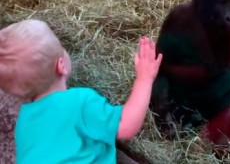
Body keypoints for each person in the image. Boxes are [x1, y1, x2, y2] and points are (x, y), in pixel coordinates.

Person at [0, 19, 163, 163]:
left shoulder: (24, 119)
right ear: (61, 65)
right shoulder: (80, 102)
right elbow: (126, 126)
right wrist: (144, 78)